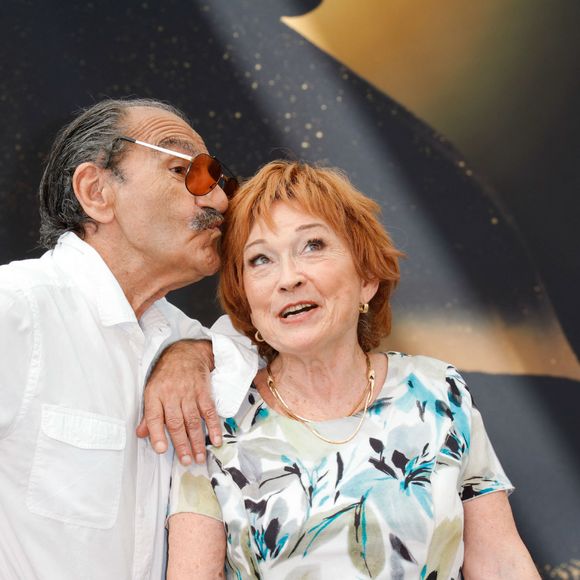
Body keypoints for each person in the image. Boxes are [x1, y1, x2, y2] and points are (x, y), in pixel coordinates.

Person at [167, 161, 540, 579]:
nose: (288, 278)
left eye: (312, 246)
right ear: (245, 299)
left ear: (366, 277)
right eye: (259, 260)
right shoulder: (216, 421)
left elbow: (501, 562)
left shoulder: (439, 392)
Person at [0, 98, 257, 579]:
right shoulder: (15, 310)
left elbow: (277, 357)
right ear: (96, 191)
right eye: (186, 169)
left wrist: (196, 351)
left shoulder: (183, 336)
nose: (219, 201)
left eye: (219, 180)